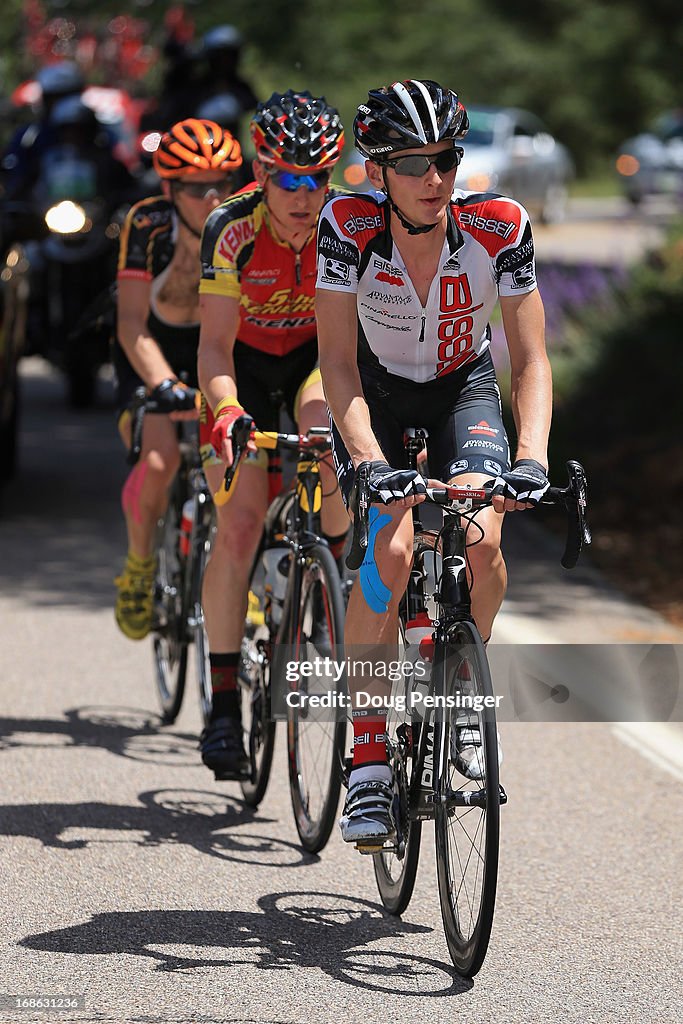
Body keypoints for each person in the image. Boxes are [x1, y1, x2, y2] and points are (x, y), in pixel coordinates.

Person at [315, 79, 552, 847]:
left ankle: (458, 698)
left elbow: (531, 361)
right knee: (385, 547)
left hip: (463, 392)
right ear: (377, 170)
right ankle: (369, 758)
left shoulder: (498, 225)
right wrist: (366, 460)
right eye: (411, 162)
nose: (433, 178)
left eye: (445, 159)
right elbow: (335, 366)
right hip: (374, 391)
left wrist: (531, 458)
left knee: (480, 542)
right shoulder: (345, 227)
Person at [197, 89, 349, 779]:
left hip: (314, 361)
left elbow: (354, 345)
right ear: (261, 172)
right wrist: (225, 410)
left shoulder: (348, 226)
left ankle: (328, 577)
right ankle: (224, 703)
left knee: (331, 450)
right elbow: (213, 349)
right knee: (239, 527)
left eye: (316, 178)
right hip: (243, 369)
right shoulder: (230, 227)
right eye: (288, 177)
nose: (302, 193)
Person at [113, 118, 242, 640]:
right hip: (150, 348)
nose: (211, 198)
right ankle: (140, 568)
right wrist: (164, 386)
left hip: (219, 349)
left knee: (240, 460)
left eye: (223, 185)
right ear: (170, 189)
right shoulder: (147, 223)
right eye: (195, 187)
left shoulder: (242, 223)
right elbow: (129, 324)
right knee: (163, 458)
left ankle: (240, 577)